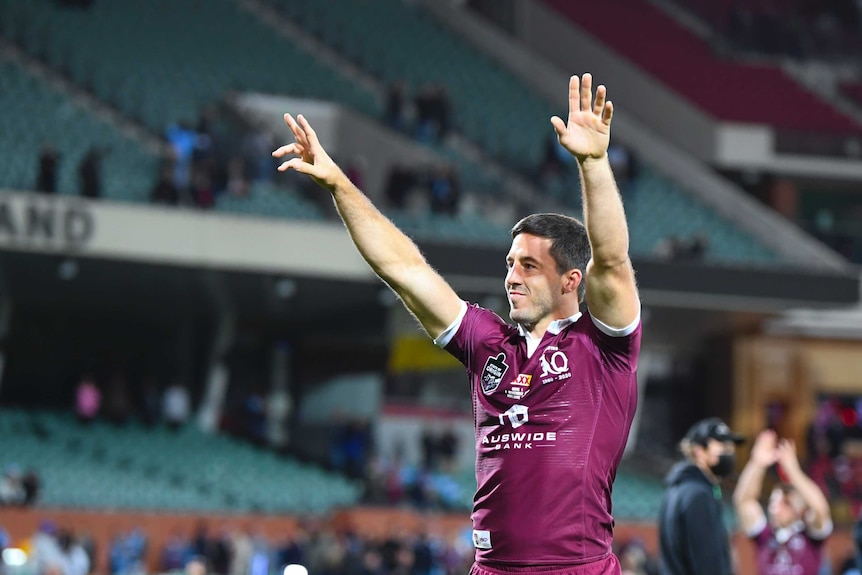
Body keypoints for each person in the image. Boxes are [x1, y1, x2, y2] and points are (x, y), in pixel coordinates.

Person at [273, 73, 641, 573]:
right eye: (510, 264)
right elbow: (404, 270)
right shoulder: (488, 343)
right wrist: (341, 186)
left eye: (529, 266)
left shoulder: (603, 350)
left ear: (571, 280)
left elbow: (614, 264)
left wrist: (593, 163)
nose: (512, 276)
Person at [733, 429, 832, 575]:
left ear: (799, 509)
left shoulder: (809, 535)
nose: (775, 507)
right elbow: (743, 501)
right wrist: (757, 464)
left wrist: (793, 471)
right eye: (774, 501)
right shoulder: (765, 535)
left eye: (785, 503)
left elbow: (820, 508)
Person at [658, 417, 745, 575]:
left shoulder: (677, 488)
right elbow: (708, 562)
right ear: (699, 450)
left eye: (730, 447)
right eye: (723, 446)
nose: (730, 452)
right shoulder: (699, 494)